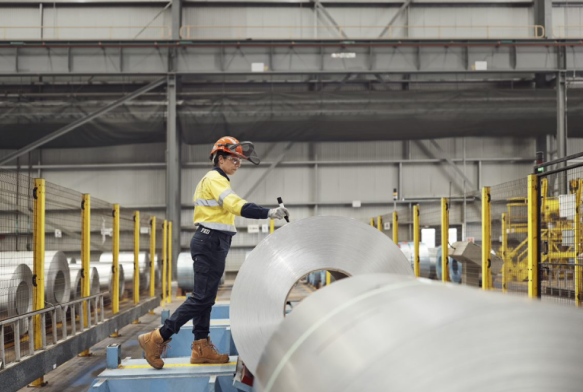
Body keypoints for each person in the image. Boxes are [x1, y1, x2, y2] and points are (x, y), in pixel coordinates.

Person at [138, 136, 289, 369]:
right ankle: (157, 337)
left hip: (213, 242)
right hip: (210, 242)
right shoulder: (215, 179)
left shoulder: (217, 180)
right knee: (202, 298)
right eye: (233, 159)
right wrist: (269, 213)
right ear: (220, 159)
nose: (237, 164)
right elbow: (236, 206)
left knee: (205, 298)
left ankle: (201, 347)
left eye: (239, 161)